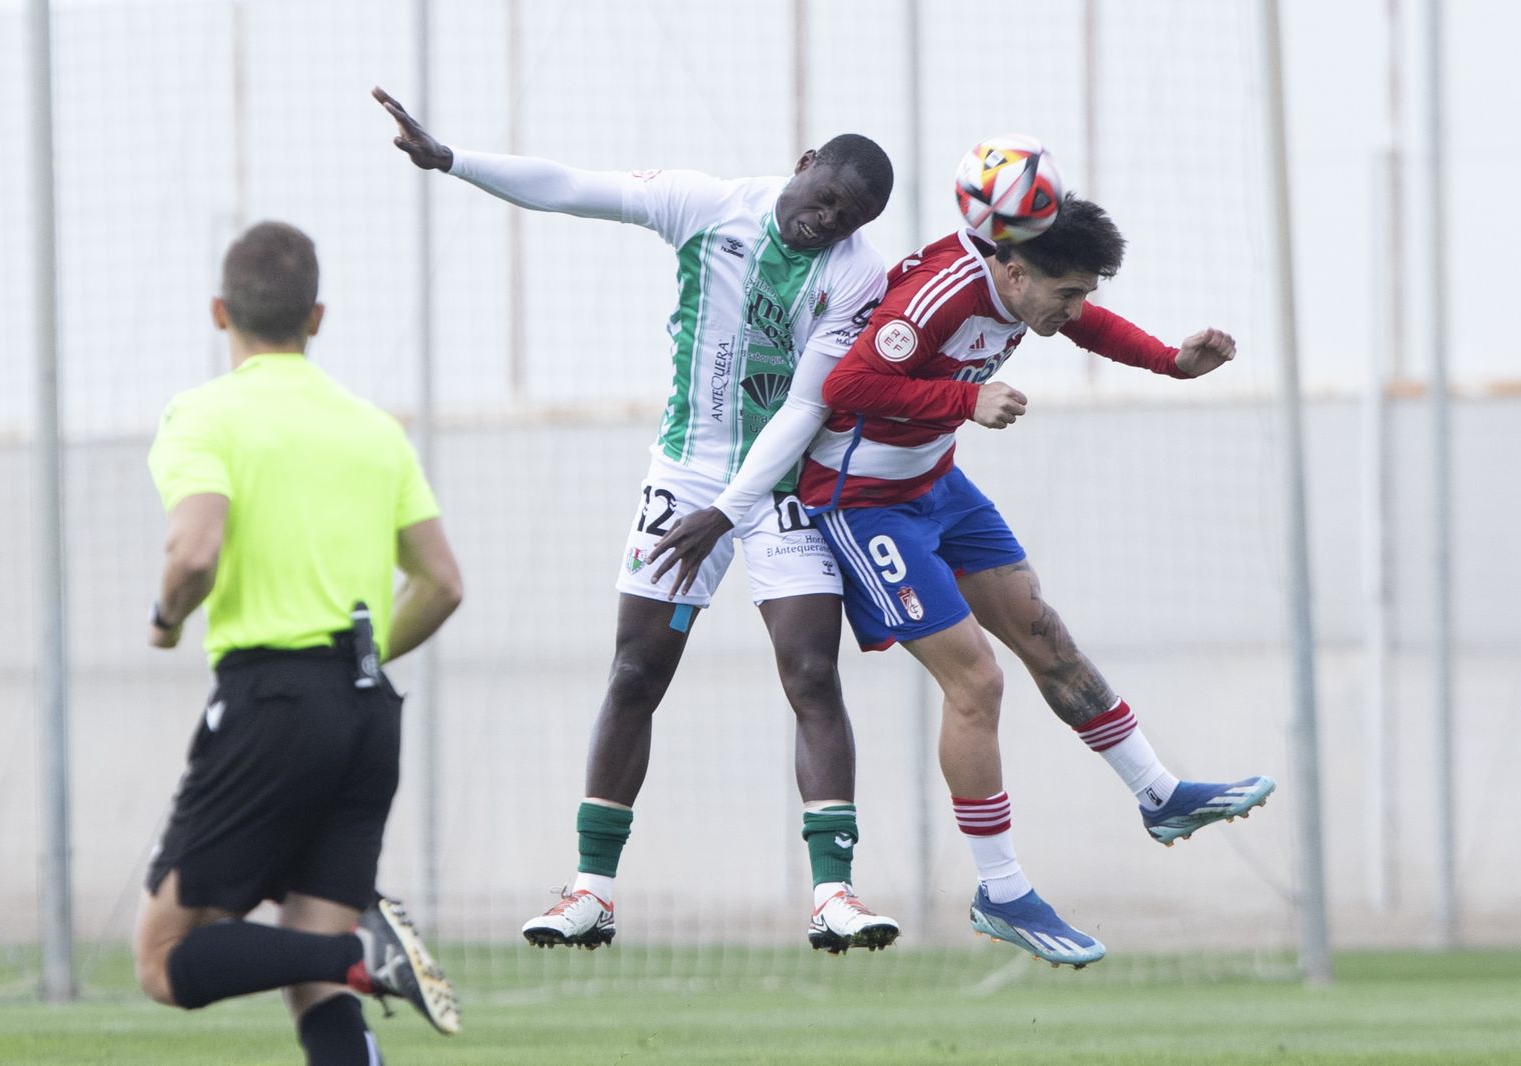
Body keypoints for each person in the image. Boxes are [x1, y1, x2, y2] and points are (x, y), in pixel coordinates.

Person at [653, 184, 1274, 969]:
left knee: (1045, 636)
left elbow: (1085, 322)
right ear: (1013, 271)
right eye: (1067, 292)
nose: (1075, 308)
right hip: (864, 502)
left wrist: (1170, 363)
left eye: (1083, 291)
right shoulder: (941, 295)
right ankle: (1001, 890)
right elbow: (843, 387)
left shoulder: (1029, 286)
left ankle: (1158, 794)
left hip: (936, 484)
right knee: (977, 682)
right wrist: (965, 398)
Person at [374, 86, 901, 954]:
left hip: (779, 487)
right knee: (634, 672)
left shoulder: (858, 274)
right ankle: (591, 893)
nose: (829, 223)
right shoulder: (707, 206)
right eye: (827, 199)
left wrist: (729, 511)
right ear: (804, 165)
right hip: (686, 475)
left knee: (812, 672)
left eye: (850, 219)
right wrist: (453, 160)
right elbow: (573, 187)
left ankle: (833, 895)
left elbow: (808, 406)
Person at [134, 221, 466, 1063]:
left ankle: (361, 952)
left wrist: (167, 619)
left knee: (164, 957)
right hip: (366, 710)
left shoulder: (205, 414)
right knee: (314, 982)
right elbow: (441, 584)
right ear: (316, 318)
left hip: (273, 703)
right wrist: (354, 663)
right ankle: (350, 955)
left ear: (220, 311)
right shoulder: (373, 429)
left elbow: (194, 553)